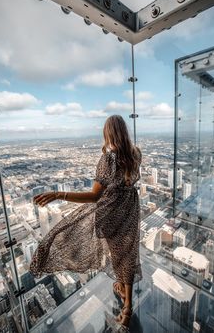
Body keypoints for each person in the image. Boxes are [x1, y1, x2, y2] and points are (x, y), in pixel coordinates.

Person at [31, 114, 142, 330]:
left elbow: (94, 197)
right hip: (130, 208)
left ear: (108, 133)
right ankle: (126, 298)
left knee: (119, 255)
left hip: (111, 213)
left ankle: (126, 307)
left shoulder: (108, 159)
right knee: (128, 254)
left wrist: (58, 194)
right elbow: (128, 180)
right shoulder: (136, 153)